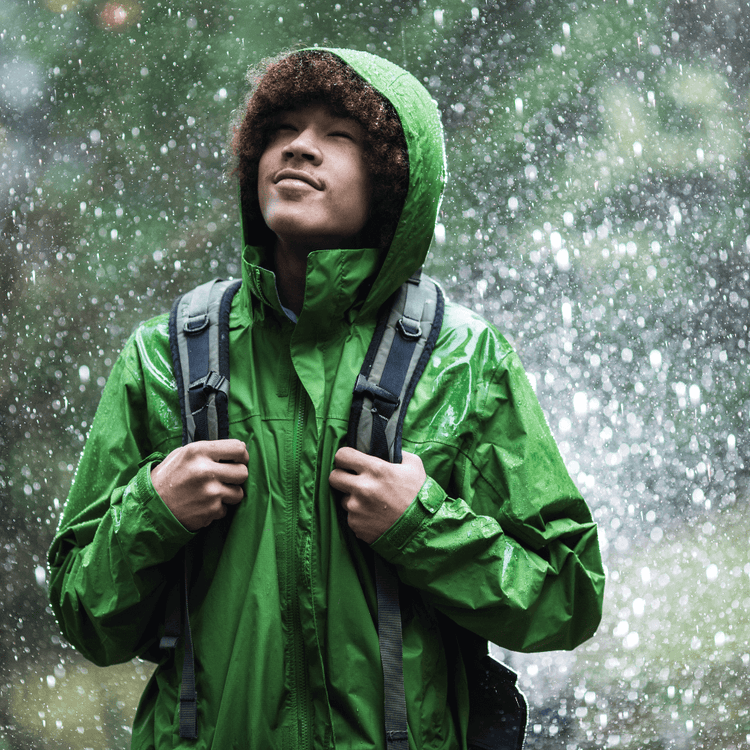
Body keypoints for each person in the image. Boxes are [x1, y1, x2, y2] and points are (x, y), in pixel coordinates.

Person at [48, 48, 605, 749]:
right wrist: (153, 511)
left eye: (339, 135)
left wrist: (421, 526)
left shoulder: (464, 360)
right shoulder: (164, 357)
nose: (300, 148)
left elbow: (566, 599)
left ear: (394, 180)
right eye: (280, 130)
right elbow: (83, 616)